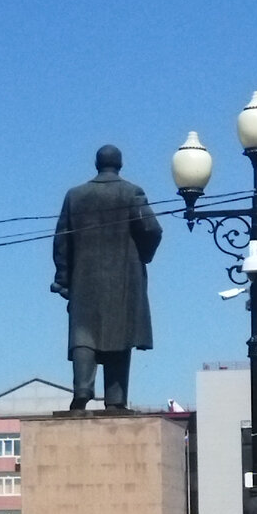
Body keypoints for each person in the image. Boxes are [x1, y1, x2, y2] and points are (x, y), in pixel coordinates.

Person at [51, 145, 162, 412]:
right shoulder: (131, 192)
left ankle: (82, 392)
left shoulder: (75, 196)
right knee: (119, 335)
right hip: (123, 278)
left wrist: (64, 277)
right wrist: (143, 256)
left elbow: (61, 240)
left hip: (84, 279)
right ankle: (115, 400)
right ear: (120, 164)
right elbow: (152, 229)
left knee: (84, 335)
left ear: (96, 164)